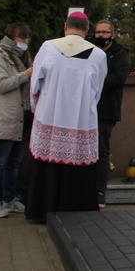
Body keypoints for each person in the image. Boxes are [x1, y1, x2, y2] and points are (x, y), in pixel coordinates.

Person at [25, 12, 107, 222]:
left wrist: (39, 109)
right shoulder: (98, 55)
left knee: (48, 162)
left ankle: (41, 210)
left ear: (65, 26)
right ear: (87, 30)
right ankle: (75, 211)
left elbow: (35, 84)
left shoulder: (48, 47)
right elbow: (97, 90)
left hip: (49, 116)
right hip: (80, 120)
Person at [0, 23, 34, 218]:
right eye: (22, 38)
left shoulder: (23, 57)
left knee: (14, 162)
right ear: (12, 38)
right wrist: (24, 75)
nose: (25, 42)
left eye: (27, 38)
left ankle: (10, 199)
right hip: (4, 116)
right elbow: (0, 85)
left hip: (22, 116)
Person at [93, 20, 130, 208]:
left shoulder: (120, 55)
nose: (100, 36)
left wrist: (93, 85)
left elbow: (118, 77)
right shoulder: (89, 51)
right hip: (85, 109)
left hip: (106, 110)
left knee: (101, 151)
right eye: (97, 32)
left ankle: (100, 191)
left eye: (104, 32)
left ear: (112, 35)